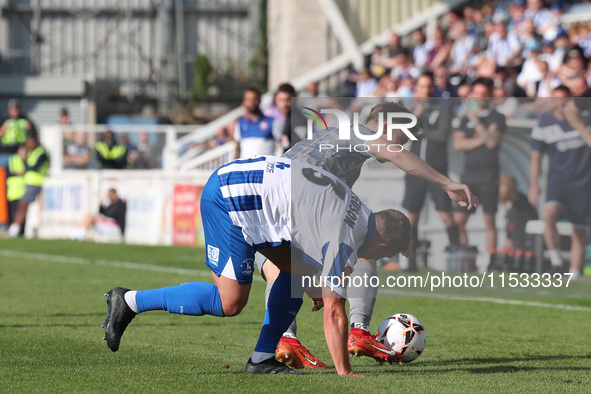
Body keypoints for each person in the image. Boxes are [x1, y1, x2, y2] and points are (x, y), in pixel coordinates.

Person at [102, 156, 412, 376]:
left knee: (299, 273)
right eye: (385, 255)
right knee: (231, 301)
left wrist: (312, 283)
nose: (377, 260)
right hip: (229, 200)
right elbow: (334, 313)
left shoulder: (355, 207)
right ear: (383, 244)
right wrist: (345, 372)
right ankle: (129, 301)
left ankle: (262, 358)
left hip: (247, 186)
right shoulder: (347, 236)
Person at [259, 101, 477, 369]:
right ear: (386, 126)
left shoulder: (338, 145)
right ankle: (356, 332)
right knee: (353, 253)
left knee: (284, 266)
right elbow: (396, 156)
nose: (403, 145)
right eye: (402, 137)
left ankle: (288, 337)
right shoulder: (357, 133)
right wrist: (448, 183)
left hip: (269, 204)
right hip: (280, 202)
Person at [528, 85, 591, 279]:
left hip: (582, 183)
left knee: (578, 231)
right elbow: (536, 156)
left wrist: (579, 126)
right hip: (557, 182)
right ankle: (556, 262)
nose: (561, 103)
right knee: (548, 214)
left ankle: (574, 273)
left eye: (565, 99)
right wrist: (534, 185)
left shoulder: (586, 119)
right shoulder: (544, 124)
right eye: (557, 99)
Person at [403, 73, 459, 271]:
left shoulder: (442, 107)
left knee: (446, 214)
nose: (425, 91)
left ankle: (456, 254)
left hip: (436, 171)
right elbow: (403, 132)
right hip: (415, 170)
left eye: (428, 86)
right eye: (421, 87)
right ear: (416, 89)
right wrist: (417, 115)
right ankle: (411, 261)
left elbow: (441, 135)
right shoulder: (412, 111)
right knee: (412, 217)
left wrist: (420, 131)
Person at [452, 77, 505, 268]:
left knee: (489, 220)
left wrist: (477, 124)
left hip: (489, 176)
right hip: (469, 177)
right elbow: (458, 144)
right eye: (478, 93)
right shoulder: (465, 118)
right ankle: (467, 258)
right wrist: (483, 136)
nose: (480, 97)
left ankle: (489, 262)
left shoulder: (498, 117)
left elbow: (493, 143)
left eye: (484, 93)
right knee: (459, 220)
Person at [7, 133, 49, 238]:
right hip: (29, 183)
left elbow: (33, 167)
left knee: (24, 205)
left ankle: (15, 228)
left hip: (36, 182)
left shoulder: (41, 152)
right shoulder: (31, 152)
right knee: (23, 206)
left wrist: (25, 166)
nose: (27, 145)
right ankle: (18, 228)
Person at [233, 87, 279, 159]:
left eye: (254, 99)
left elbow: (280, 144)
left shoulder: (272, 121)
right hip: (246, 167)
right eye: (248, 100)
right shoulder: (240, 123)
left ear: (259, 100)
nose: (251, 103)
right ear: (244, 101)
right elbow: (238, 147)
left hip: (265, 167)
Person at [499, 175, 537, 252]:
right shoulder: (510, 213)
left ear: (513, 186)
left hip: (530, 254)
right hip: (518, 256)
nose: (498, 189)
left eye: (501, 185)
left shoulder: (525, 205)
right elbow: (510, 240)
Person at [0, 99, 35, 168]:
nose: (14, 111)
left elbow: (33, 136)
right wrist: (3, 129)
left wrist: (30, 127)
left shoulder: (25, 119)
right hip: (5, 152)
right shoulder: (3, 119)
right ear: (9, 109)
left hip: (20, 153)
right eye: (12, 108)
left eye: (16, 108)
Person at [6, 145, 27, 230]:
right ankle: (13, 228)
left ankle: (19, 229)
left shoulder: (25, 161)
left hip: (22, 191)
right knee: (14, 212)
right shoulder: (14, 160)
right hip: (14, 192)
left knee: (21, 212)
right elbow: (19, 172)